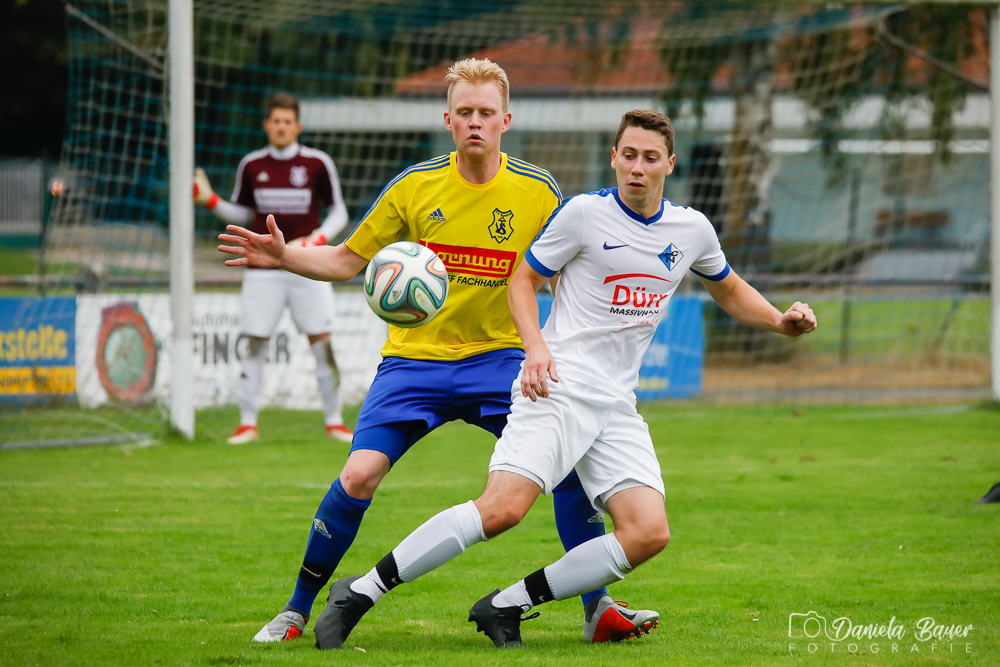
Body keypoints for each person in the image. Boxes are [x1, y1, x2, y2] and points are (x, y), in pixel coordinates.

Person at [306, 109, 819, 649]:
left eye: (650, 158)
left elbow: (728, 287)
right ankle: (359, 592)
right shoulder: (582, 214)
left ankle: (507, 604)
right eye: (628, 155)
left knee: (648, 532)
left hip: (616, 402)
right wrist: (535, 349)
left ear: (669, 164)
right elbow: (522, 281)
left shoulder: (691, 229)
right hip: (558, 387)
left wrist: (779, 321)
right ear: (613, 158)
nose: (637, 167)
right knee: (502, 510)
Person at [218, 59, 657, 648]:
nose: (476, 123)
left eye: (486, 113)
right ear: (448, 120)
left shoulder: (538, 191)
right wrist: (285, 256)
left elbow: (561, 274)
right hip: (414, 362)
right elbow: (347, 260)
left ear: (506, 120)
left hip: (500, 361)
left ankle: (596, 607)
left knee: (570, 470)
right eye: (464, 113)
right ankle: (297, 609)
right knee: (359, 474)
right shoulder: (414, 186)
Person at [194, 94, 353, 444]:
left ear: (298, 126)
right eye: (276, 121)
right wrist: (210, 200)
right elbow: (243, 213)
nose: (281, 127)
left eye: (287, 121)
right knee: (254, 342)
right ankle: (247, 424)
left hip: (308, 266)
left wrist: (316, 239)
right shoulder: (252, 165)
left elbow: (339, 211)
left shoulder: (317, 163)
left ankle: (335, 422)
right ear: (266, 125)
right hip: (262, 269)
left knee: (321, 342)